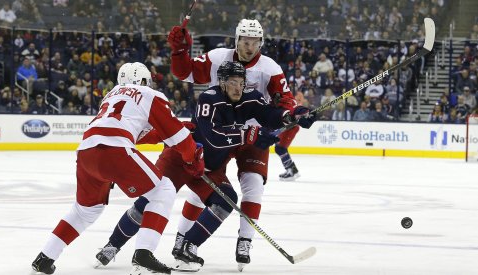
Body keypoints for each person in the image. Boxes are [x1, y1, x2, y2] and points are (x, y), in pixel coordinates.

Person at [93, 62, 313, 271]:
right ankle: (112, 245)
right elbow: (212, 137)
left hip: (210, 168)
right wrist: (249, 134)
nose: (239, 87)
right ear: (223, 82)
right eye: (233, 82)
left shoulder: (250, 99)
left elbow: (270, 115)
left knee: (226, 200)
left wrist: (291, 115)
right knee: (150, 201)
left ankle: (187, 247)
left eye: (241, 82)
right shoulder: (209, 98)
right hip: (180, 159)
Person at [167, 18, 316, 270]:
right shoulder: (217, 58)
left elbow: (284, 102)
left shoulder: (269, 68)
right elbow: (184, 72)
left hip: (254, 136)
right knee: (203, 187)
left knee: (254, 186)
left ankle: (244, 241)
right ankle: (183, 237)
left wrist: (297, 112)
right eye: (245, 41)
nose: (250, 47)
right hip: (219, 133)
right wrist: (179, 51)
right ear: (237, 40)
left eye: (255, 42)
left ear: (261, 43)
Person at [30, 62, 204, 275]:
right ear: (143, 81)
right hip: (114, 150)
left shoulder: (111, 95)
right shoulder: (149, 94)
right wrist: (193, 159)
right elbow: (180, 140)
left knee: (84, 211)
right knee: (164, 189)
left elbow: (134, 131)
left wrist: (164, 135)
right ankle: (143, 254)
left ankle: (44, 258)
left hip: (86, 151)